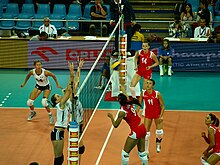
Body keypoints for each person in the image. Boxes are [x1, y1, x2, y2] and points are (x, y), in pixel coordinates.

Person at [107, 92, 148, 165]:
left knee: (125, 154)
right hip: (142, 127)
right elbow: (125, 94)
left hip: (136, 131)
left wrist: (111, 117)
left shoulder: (122, 112)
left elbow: (115, 125)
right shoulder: (129, 103)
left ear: (119, 100)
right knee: (142, 154)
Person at [50, 61, 75, 165]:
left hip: (60, 132)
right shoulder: (61, 105)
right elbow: (68, 91)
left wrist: (73, 76)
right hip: (57, 132)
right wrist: (71, 74)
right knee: (58, 158)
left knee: (61, 158)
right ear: (56, 101)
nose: (60, 96)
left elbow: (70, 90)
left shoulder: (64, 105)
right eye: (58, 97)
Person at [62, 59, 85, 163]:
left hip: (79, 122)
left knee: (79, 146)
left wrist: (78, 68)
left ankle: (76, 161)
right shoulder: (71, 100)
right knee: (78, 146)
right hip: (74, 124)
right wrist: (72, 74)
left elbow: (76, 81)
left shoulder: (74, 96)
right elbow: (73, 83)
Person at [137, 79, 165, 156]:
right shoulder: (143, 93)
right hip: (148, 114)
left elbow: (163, 105)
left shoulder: (157, 94)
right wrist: (136, 113)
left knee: (159, 132)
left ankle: (158, 143)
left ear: (153, 85)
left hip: (157, 114)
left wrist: (161, 115)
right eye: (147, 83)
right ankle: (146, 151)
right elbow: (139, 103)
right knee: (146, 133)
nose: (148, 85)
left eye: (150, 84)